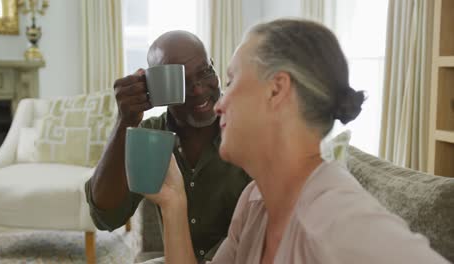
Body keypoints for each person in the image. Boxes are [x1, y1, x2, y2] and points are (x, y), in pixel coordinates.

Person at [141, 19, 450, 264]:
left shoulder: (343, 225)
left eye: (233, 81)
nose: (219, 104)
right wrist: (173, 203)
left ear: (277, 90)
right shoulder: (254, 203)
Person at [85, 31, 251, 263]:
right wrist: (125, 120)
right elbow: (106, 216)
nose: (199, 89)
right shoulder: (151, 136)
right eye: (181, 80)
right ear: (155, 87)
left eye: (205, 72)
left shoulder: (248, 130)